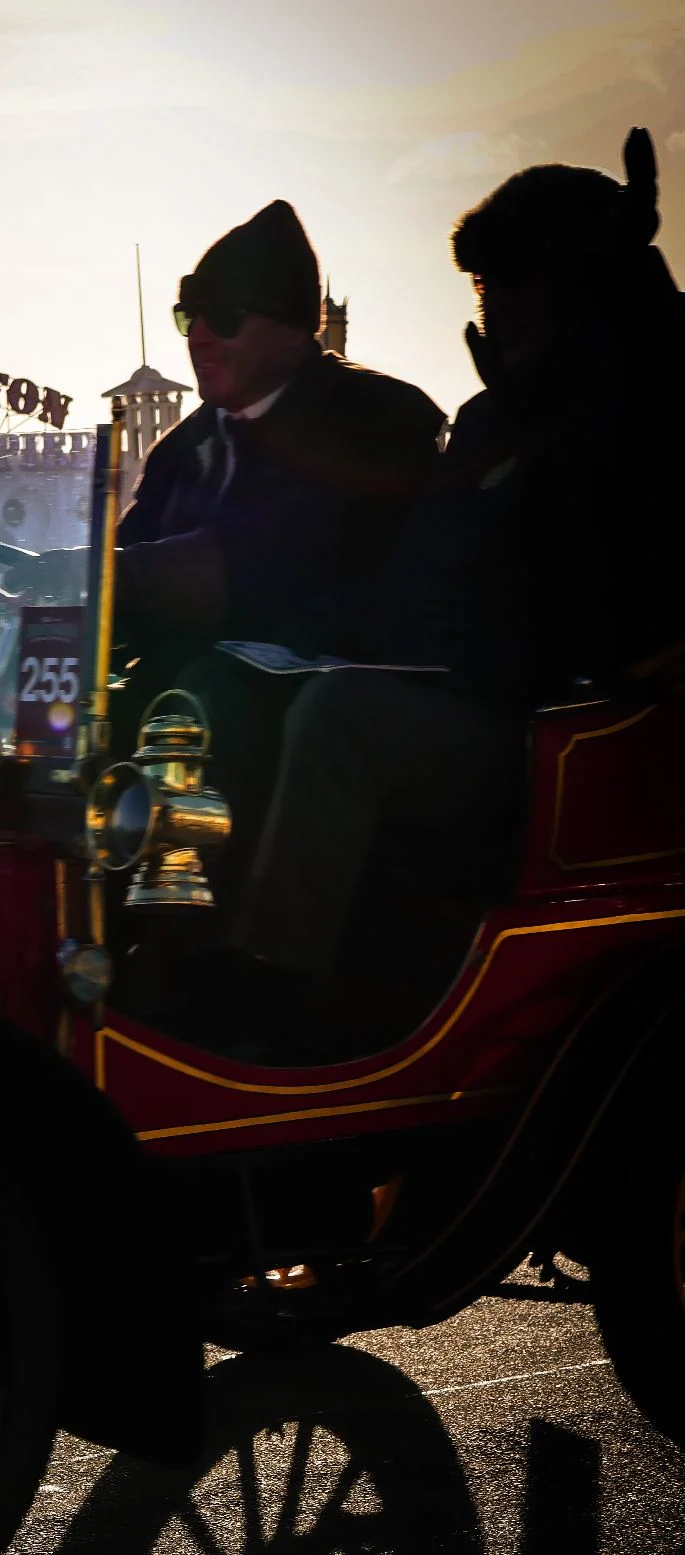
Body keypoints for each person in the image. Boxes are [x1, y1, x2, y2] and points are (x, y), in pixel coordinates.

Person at [208, 129, 685, 1057]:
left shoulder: (655, 403)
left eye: (516, 279)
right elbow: (414, 583)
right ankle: (200, 965)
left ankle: (263, 1005)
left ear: (585, 285)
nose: (495, 304)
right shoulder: (485, 423)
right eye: (482, 284)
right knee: (243, 694)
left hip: (579, 743)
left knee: (339, 718)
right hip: (486, 706)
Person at [110, 199, 445, 836]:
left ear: (295, 328)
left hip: (325, 690)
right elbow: (122, 570)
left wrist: (113, 575)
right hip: (198, 690)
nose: (197, 336)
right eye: (189, 316)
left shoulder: (379, 420)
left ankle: (227, 931)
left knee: (206, 700)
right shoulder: (183, 450)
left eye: (224, 316)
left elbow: (280, 554)